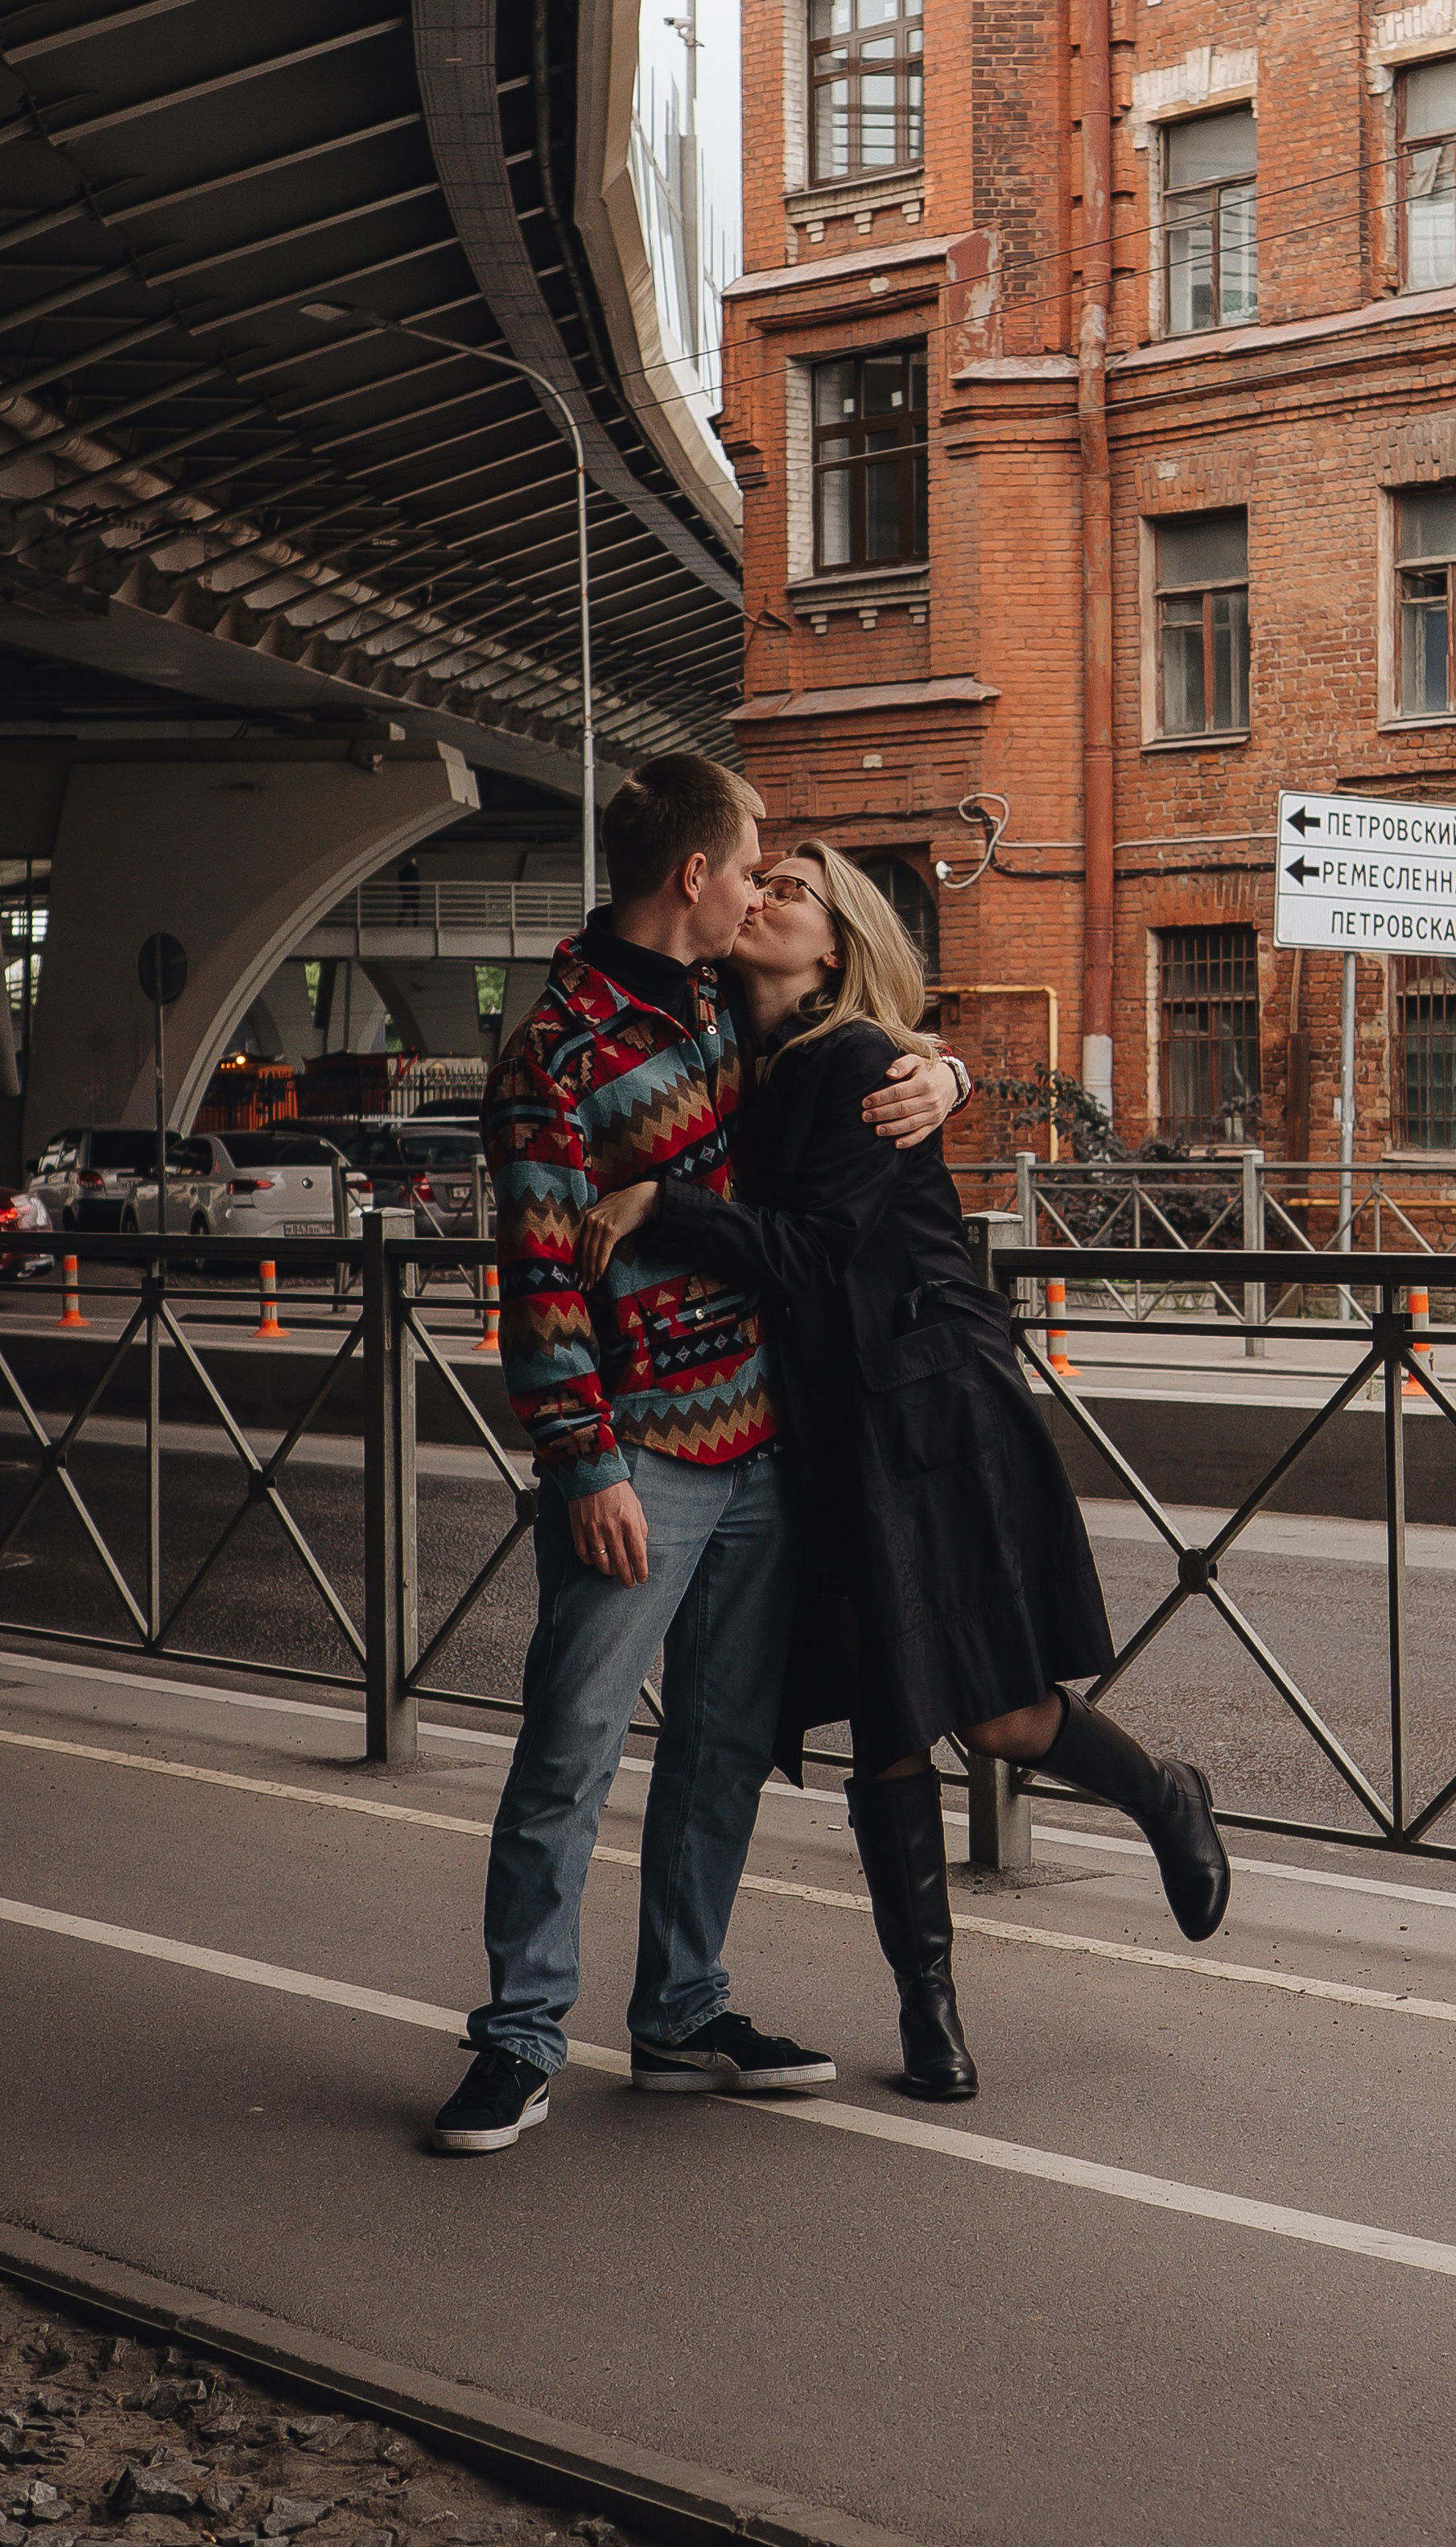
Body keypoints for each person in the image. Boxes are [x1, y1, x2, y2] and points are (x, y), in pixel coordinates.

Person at [573, 839, 1229, 2105]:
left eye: (795, 890)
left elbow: (815, 1253)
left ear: (838, 946)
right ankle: (929, 2017)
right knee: (885, 1717)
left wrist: (666, 1203)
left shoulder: (863, 1063)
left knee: (984, 1707)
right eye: (757, 880)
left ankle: (1162, 1793)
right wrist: (957, 1066)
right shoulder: (737, 1054)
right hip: (822, 1420)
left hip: (928, 1410)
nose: (762, 895)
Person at [429, 759, 967, 2156]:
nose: (762, 887)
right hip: (640, 1461)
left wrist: (949, 1073)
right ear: (694, 878)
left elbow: (867, 1039)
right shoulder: (556, 1045)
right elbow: (539, 1278)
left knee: (726, 1747)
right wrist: (582, 1460)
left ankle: (680, 2012)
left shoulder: (735, 1007)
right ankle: (519, 2039)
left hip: (767, 1445)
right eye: (752, 865)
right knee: (571, 1747)